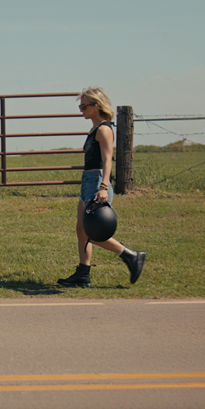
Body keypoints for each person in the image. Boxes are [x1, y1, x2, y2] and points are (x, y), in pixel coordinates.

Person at [58, 87, 146, 287]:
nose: (81, 110)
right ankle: (83, 274)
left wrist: (104, 186)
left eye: (84, 106)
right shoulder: (94, 129)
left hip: (97, 181)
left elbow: (107, 160)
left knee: (91, 231)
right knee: (81, 229)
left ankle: (131, 255)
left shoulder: (104, 130)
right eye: (80, 106)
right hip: (88, 181)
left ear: (96, 106)